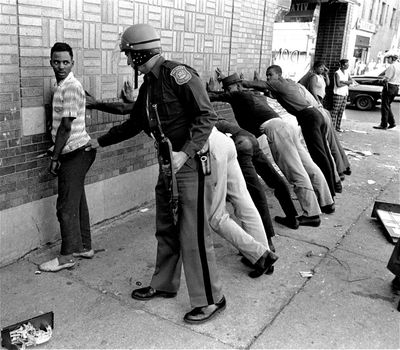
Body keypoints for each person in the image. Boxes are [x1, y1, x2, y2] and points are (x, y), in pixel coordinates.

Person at [85, 23, 226, 324]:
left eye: (127, 55)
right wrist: (98, 141)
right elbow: (135, 123)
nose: (126, 61)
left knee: (193, 232)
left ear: (139, 53)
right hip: (167, 164)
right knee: (166, 227)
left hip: (188, 163)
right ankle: (164, 284)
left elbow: (207, 116)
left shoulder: (179, 75)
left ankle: (212, 299)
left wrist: (184, 153)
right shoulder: (149, 85)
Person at [212, 71, 335, 228]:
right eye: (226, 89)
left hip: (276, 130)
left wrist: (205, 91)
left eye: (229, 89)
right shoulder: (253, 96)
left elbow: (216, 96)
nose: (228, 93)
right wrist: (225, 79)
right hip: (285, 126)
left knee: (294, 171)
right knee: (308, 165)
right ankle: (327, 203)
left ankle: (312, 214)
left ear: (237, 86)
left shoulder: (239, 95)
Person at [39, 42, 97, 272]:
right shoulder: (62, 85)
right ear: (51, 62)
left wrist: (55, 156)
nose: (61, 66)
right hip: (78, 151)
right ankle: (84, 246)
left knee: (65, 206)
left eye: (65, 62)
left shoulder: (70, 87)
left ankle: (66, 257)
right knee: (77, 201)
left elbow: (65, 126)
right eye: (56, 61)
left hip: (75, 153)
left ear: (73, 63)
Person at [242, 65, 337, 200]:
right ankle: (332, 188)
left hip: (308, 117)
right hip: (314, 115)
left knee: (318, 156)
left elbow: (258, 84)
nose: (268, 77)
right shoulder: (287, 82)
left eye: (270, 74)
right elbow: (275, 94)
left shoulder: (276, 83)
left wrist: (239, 82)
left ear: (278, 74)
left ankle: (328, 193)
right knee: (322, 153)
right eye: (267, 75)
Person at [373, 53, 399, 130]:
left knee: (384, 106)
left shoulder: (391, 67)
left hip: (389, 87)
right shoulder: (398, 66)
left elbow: (386, 79)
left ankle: (383, 124)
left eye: (388, 58)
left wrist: (380, 80)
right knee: (387, 105)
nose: (387, 60)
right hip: (396, 87)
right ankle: (392, 123)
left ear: (392, 58)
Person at [331, 59, 353, 133]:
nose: (348, 66)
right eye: (347, 64)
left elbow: (351, 81)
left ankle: (338, 127)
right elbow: (338, 84)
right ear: (343, 65)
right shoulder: (337, 73)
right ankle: (332, 128)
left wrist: (344, 82)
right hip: (338, 94)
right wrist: (347, 83)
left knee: (341, 111)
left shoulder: (347, 72)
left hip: (345, 94)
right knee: (335, 111)